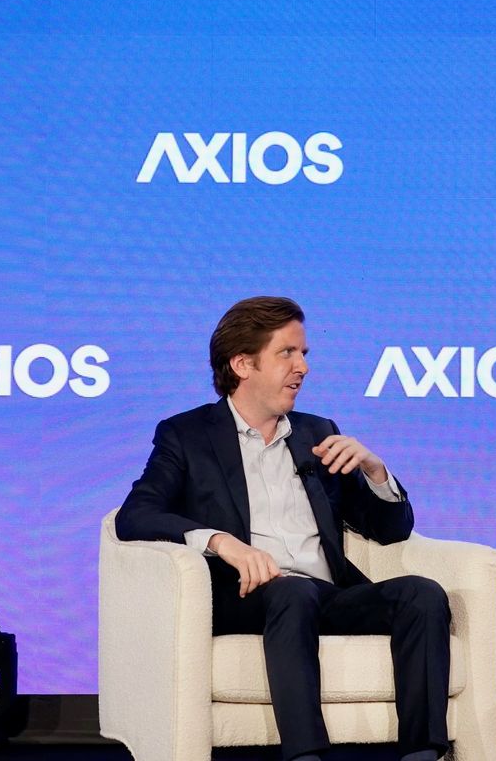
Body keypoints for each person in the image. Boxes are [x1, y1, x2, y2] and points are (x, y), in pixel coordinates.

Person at [116, 296, 450, 761]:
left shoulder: (318, 433)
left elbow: (390, 530)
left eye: (305, 354)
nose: (303, 368)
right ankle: (305, 755)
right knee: (292, 592)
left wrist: (375, 470)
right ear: (242, 364)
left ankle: (424, 753)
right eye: (288, 353)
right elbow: (137, 515)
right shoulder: (187, 435)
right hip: (250, 596)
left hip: (328, 594)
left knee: (422, 593)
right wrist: (219, 541)